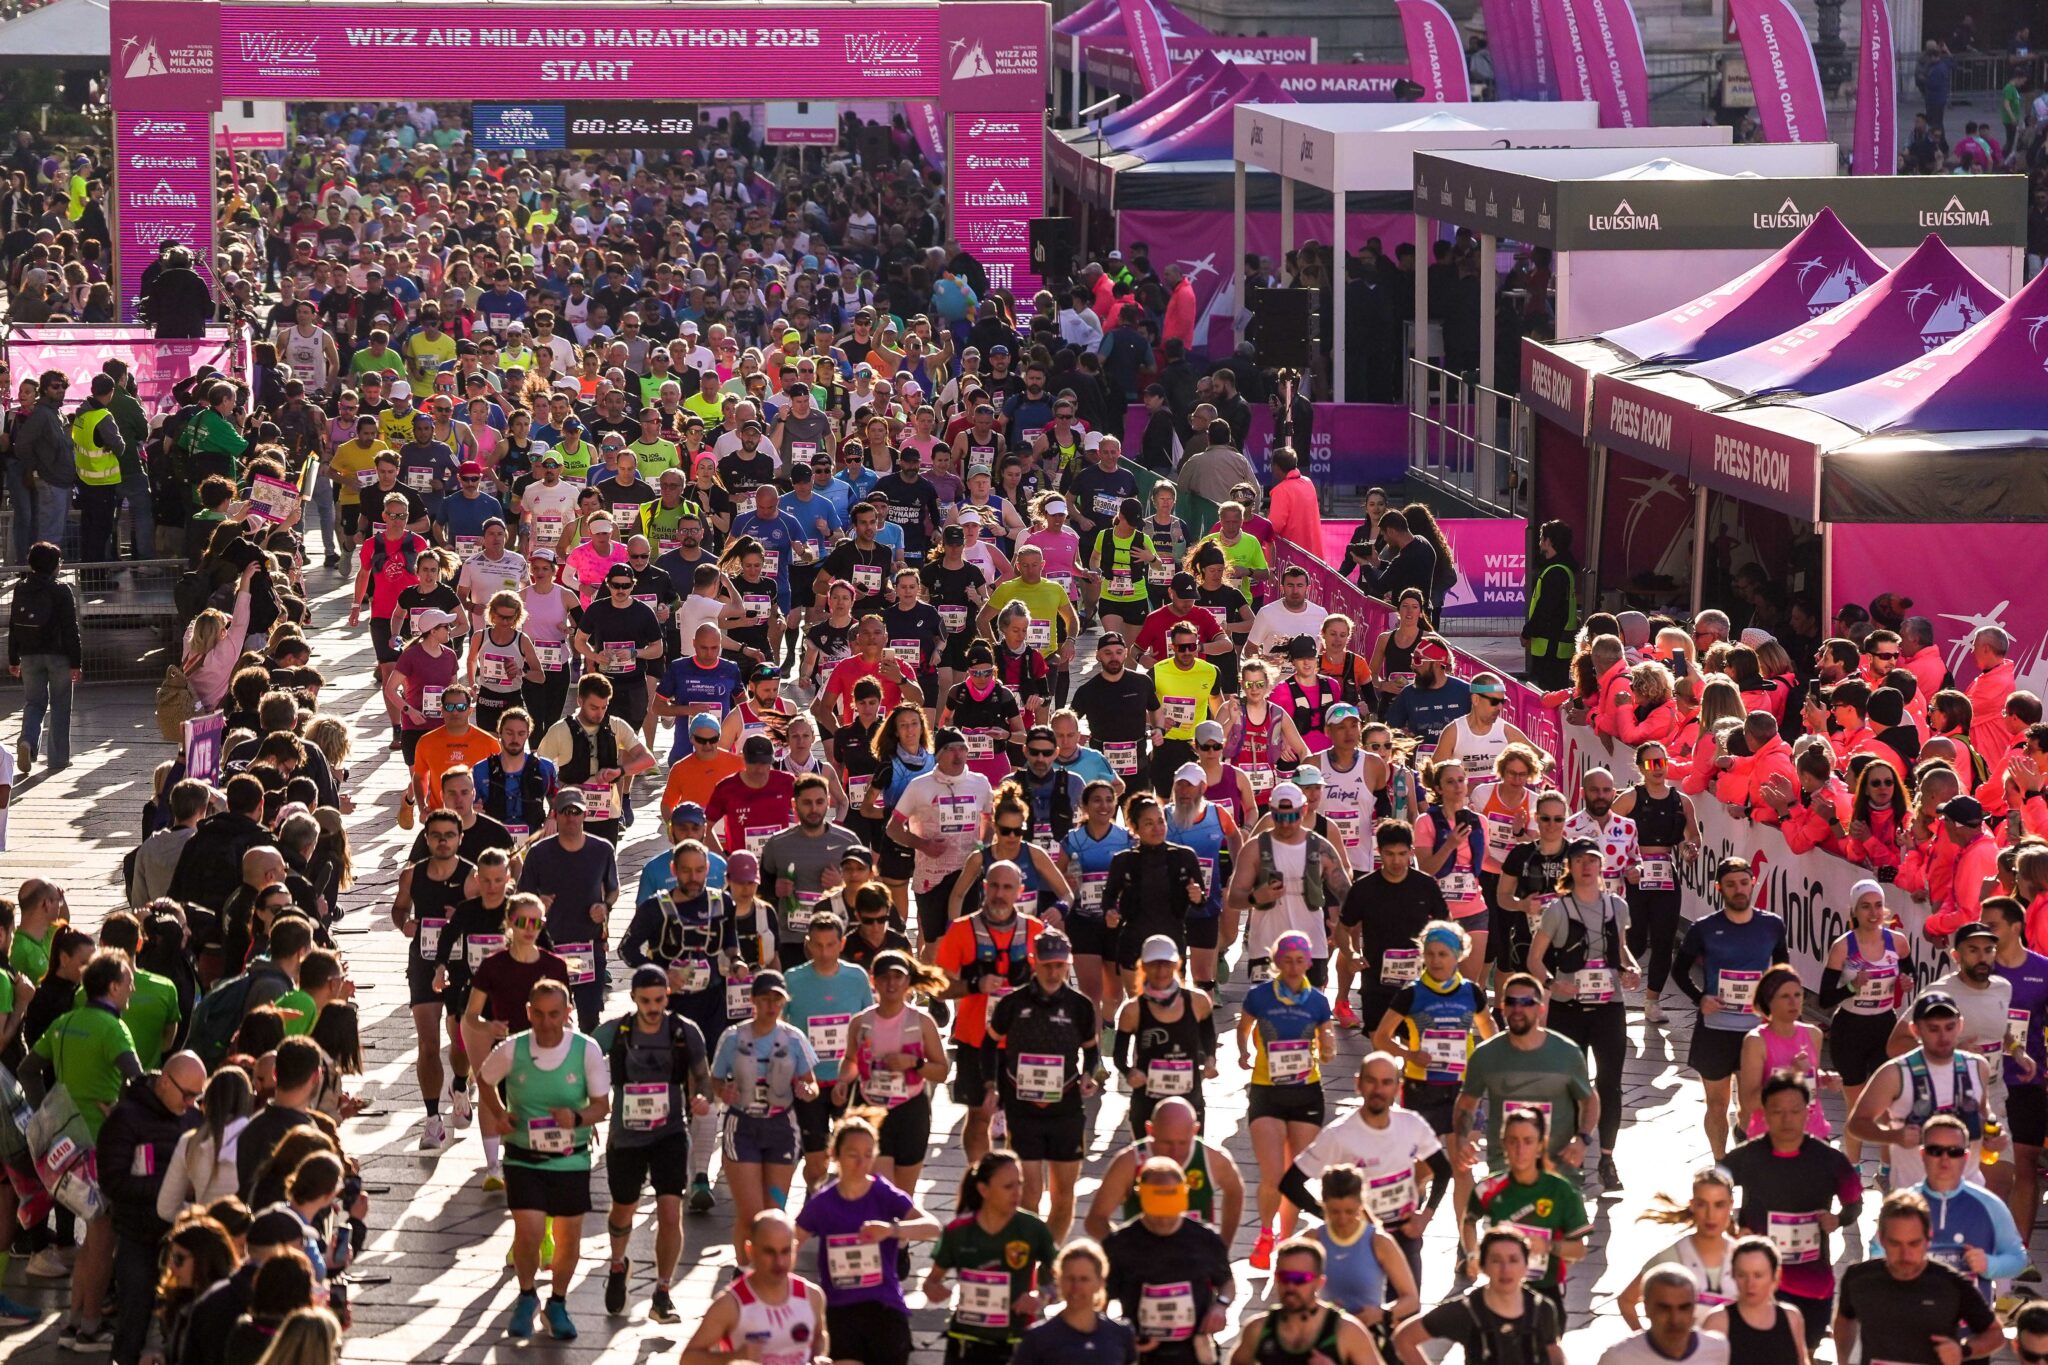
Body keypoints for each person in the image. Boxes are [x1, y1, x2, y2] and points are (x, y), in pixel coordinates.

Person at [475, 978, 610, 1342]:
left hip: (570, 1158)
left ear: (568, 1013)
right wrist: (500, 1115)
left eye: (556, 1014)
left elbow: (602, 1105)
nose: (548, 1023)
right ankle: (526, 1295)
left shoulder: (586, 1049)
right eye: (540, 1014)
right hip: (523, 1155)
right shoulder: (512, 1049)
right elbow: (484, 1080)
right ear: (528, 1013)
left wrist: (578, 1119)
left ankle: (558, 1302)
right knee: (530, 1231)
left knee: (568, 1239)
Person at [592, 965, 711, 1325]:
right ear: (633, 999)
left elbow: (703, 1076)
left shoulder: (684, 1031)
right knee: (623, 1210)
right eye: (646, 1000)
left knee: (670, 1210)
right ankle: (617, 1263)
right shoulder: (616, 1031)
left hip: (669, 1133)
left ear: (667, 996)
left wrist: (703, 1098)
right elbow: (581, 1054)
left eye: (659, 999)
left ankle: (662, 1291)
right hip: (626, 1136)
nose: (653, 1007)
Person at [1722, 1070, 1862, 1352]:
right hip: (1756, 1282)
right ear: (1765, 1112)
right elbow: (1711, 1188)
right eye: (1778, 1111)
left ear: (1807, 1112)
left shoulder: (1829, 1160)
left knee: (1803, 1351)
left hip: (1810, 1281)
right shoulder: (1747, 1157)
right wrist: (1731, 1228)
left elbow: (1854, 1203)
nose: (1787, 1119)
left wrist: (1838, 1219)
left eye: (1795, 1111)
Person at [791, 1114, 940, 1365]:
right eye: (853, 1155)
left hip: (883, 1305)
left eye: (868, 1154)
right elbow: (790, 1244)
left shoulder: (883, 1193)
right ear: (835, 1155)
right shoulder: (822, 1203)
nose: (861, 1163)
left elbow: (933, 1228)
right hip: (839, 1309)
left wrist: (892, 1230)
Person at [1672, 857, 1790, 1159]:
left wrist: (1775, 1007)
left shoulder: (1772, 925)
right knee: (1716, 1104)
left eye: (1743, 882)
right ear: (1719, 888)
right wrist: (1700, 998)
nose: (1738, 889)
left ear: (1753, 883)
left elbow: (1782, 972)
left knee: (1753, 1105)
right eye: (1730, 884)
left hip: (1754, 1032)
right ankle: (1721, 1163)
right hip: (1714, 1031)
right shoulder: (1704, 928)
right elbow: (1679, 971)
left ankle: (1745, 1143)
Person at [983, 927, 1097, 1239]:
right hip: (1023, 1109)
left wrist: (1089, 1076)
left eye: (1059, 965)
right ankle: (1028, 1258)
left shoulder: (1080, 1005)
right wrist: (992, 1085)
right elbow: (989, 1044)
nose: (1053, 972)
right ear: (1034, 962)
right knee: (1029, 1194)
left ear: (1068, 965)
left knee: (1063, 1195)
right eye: (1047, 965)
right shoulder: (1013, 1003)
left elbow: (1092, 1052)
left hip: (1066, 1109)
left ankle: (1050, 1259)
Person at [98, 1050, 207, 1365]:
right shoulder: (125, 1119)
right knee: (134, 1319)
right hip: (138, 1235)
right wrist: (169, 1190)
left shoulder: (193, 1117)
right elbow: (112, 1182)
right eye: (187, 1094)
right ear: (164, 1082)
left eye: (197, 1096)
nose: (191, 1103)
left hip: (182, 1237)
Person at [1237, 930, 1338, 1269]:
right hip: (1267, 1091)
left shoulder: (1318, 1001)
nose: (1294, 967)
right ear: (1276, 961)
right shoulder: (1260, 996)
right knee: (1272, 1174)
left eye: (1300, 961)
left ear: (1309, 963)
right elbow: (1244, 1025)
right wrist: (1243, 1052)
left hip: (1306, 1092)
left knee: (1294, 1176)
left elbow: (1327, 1038)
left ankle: (1288, 1240)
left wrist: (1328, 1048)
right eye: (1287, 960)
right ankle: (1266, 1233)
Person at [708, 970, 819, 1264]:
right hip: (742, 1125)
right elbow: (715, 1080)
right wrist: (724, 1091)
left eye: (777, 1000)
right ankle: (745, 1272)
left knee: (774, 1212)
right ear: (753, 1000)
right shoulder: (733, 1037)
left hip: (781, 1126)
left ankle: (773, 1271)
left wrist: (806, 1089)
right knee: (751, 1213)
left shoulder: (794, 1038)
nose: (771, 1006)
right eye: (765, 999)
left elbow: (811, 1082)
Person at [1849, 989, 2005, 1189]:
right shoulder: (1895, 1073)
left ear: (1960, 1025)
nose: (1943, 1036)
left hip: (1967, 1195)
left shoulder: (1978, 1066)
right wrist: (1893, 1136)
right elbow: (1856, 1124)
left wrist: (1994, 1136)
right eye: (1933, 1029)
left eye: (1949, 1027)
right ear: (1915, 1031)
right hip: (1915, 1201)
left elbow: (1984, 1113)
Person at [1833, 1190, 2005, 1365]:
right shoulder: (1859, 1279)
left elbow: (1995, 1334)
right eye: (1895, 1243)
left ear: (1928, 1239)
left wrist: (1963, 1350)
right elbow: (1845, 1318)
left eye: (1914, 1243)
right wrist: (1842, 1359)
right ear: (1882, 1239)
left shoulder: (1951, 1284)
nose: (1905, 1254)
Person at [1453, 974, 1598, 1177]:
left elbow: (1590, 1100)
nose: (1518, 1009)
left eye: (1526, 1002)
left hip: (1557, 1172)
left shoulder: (1567, 1053)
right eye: (1511, 1002)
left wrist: (1583, 1140)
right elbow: (1466, 1103)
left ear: (1541, 1008)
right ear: (1503, 1006)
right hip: (1504, 1171)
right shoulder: (1485, 1055)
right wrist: (1461, 1141)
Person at [925, 1149, 1059, 1365]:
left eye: (1020, 1184)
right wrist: (934, 1290)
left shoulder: (1033, 1228)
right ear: (983, 1190)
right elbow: (931, 1281)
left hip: (1016, 1340)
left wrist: (1041, 1297)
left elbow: (1064, 1277)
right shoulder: (957, 1231)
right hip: (966, 1340)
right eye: (1008, 1186)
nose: (1017, 1193)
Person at [1101, 1156, 1234, 1365]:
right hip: (1142, 1352)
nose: (1163, 1218)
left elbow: (1226, 1282)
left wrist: (1221, 1306)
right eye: (1157, 1209)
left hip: (1195, 1353)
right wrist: (1115, 1338)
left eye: (1169, 1209)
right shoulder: (1120, 1244)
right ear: (1141, 1197)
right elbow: (1100, 1299)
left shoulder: (1205, 1239)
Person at [1390, 1227, 1566, 1365]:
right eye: (1496, 1260)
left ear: (1526, 1266)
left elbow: (1552, 1349)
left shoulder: (1542, 1308)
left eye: (1513, 1260)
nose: (1505, 1269)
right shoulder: (1465, 1311)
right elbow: (1405, 1338)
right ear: (1483, 1266)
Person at [679, 1210, 831, 1365]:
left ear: (795, 1249)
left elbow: (819, 1336)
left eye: (785, 1251)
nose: (779, 1262)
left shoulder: (812, 1296)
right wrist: (735, 1357)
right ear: (750, 1250)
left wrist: (816, 1358)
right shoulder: (730, 1305)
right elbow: (688, 1359)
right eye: (769, 1252)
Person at [1616, 1167, 1739, 1329]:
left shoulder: (1744, 1257)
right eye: (1702, 1204)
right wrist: (1648, 1346)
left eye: (1719, 1205)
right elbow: (1626, 1300)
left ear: (1731, 1205)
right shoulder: (1672, 1256)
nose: (1711, 1215)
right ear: (1693, 1205)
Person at [10, 539, 81, 773]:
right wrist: (75, 662)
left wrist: (13, 658)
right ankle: (58, 759)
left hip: (29, 655)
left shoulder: (20, 588)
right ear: (54, 566)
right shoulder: (61, 590)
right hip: (58, 656)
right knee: (60, 705)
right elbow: (71, 628)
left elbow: (14, 625)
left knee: (34, 703)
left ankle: (27, 742)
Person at [1011, 1240, 1136, 1365]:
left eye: (1084, 1279)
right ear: (1059, 1281)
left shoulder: (1121, 1334)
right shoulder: (1037, 1338)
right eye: (1070, 1278)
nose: (1076, 1286)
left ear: (1100, 1283)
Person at [1597, 1266, 1729, 1365]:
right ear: (1646, 1308)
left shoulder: (1718, 1349)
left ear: (1694, 1308)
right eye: (1664, 1308)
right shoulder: (1618, 1359)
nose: (1674, 1319)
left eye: (1684, 1308)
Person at [1522, 520, 1580, 690]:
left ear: (1548, 541)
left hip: (1549, 645)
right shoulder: (1564, 569)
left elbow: (1545, 609)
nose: (1539, 543)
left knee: (1547, 692)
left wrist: (1527, 632)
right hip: (1558, 645)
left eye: (1541, 538)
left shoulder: (1555, 571)